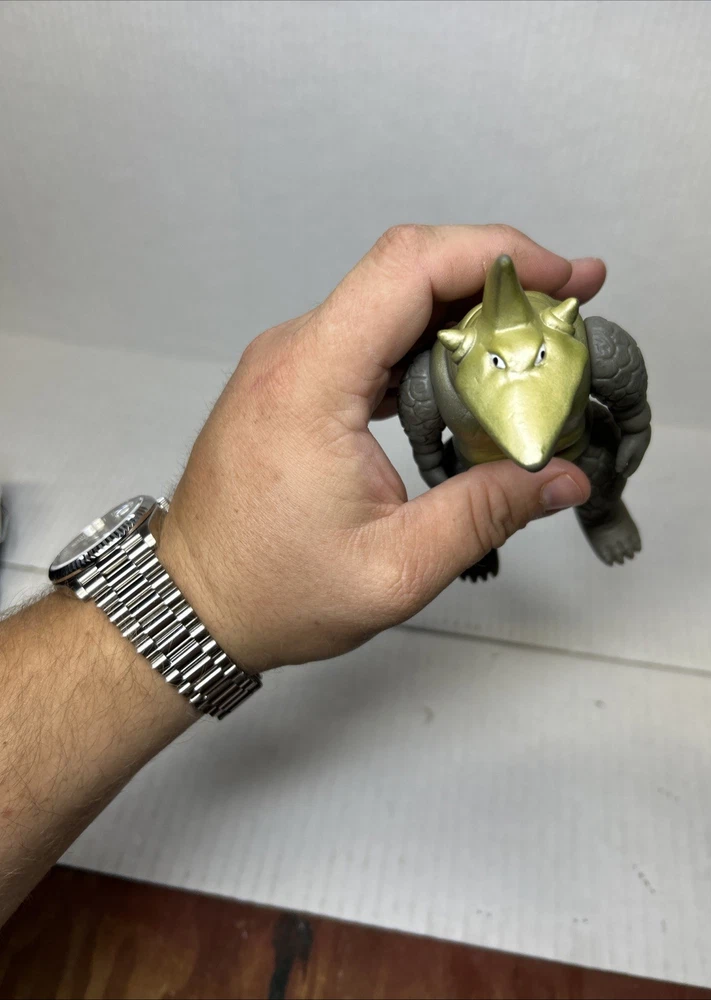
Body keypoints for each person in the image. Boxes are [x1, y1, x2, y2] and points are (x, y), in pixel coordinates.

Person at [0, 224, 604, 924]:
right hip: (475, 449)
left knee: (598, 474)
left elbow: (629, 406)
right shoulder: (436, 376)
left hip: (578, 440)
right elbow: (426, 444)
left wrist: (187, 576)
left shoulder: (593, 344)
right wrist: (201, 578)